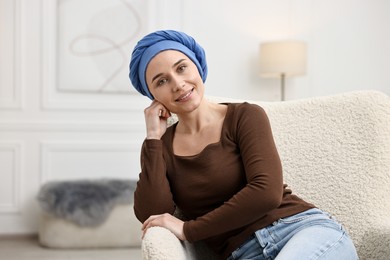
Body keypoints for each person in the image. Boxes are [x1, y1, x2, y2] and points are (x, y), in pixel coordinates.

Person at [129, 30, 358, 260]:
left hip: (300, 230)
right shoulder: (159, 148)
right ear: (153, 95)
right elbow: (153, 214)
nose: (178, 84)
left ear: (197, 66)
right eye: (162, 81)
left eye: (181, 68)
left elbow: (266, 192)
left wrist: (190, 230)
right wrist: (153, 139)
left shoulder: (244, 116)